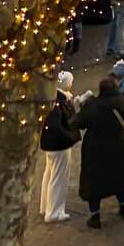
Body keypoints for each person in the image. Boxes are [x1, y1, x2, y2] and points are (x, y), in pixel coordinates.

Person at [74, 54, 124, 226]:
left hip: (96, 151)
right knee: (119, 178)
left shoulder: (93, 105)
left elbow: (78, 122)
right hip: (119, 148)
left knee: (95, 183)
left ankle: (95, 217)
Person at [39, 71, 81, 222]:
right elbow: (55, 125)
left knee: (49, 174)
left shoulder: (55, 97)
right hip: (59, 146)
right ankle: (54, 211)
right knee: (58, 177)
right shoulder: (58, 102)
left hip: (51, 145)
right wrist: (69, 136)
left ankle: (45, 206)